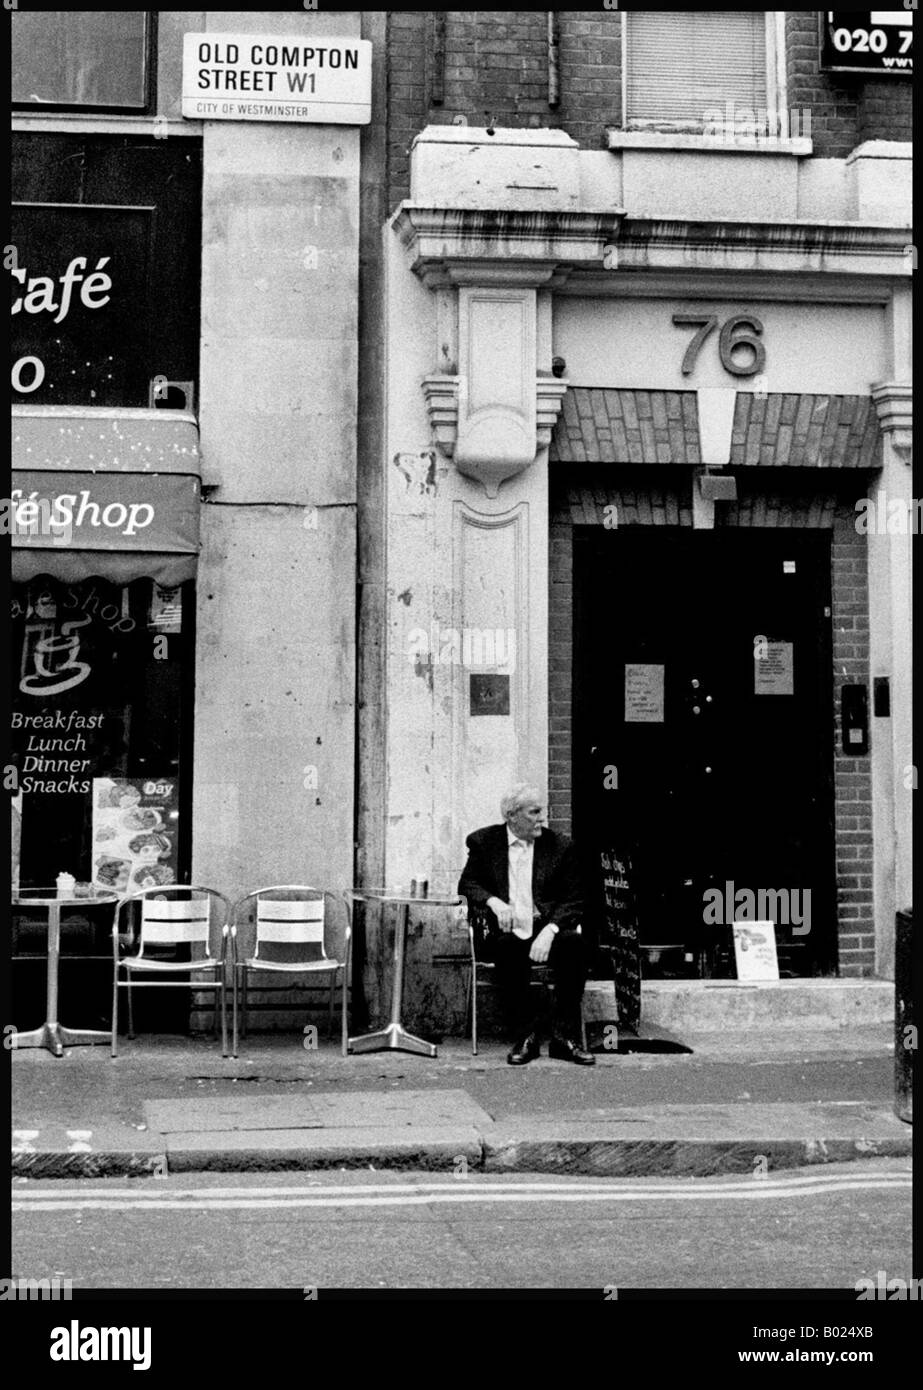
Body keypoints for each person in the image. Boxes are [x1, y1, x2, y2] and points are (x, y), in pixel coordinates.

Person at [458, 783, 594, 1066]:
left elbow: (575, 898)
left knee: (575, 946)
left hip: (547, 928)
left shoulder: (559, 845)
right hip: (509, 932)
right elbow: (468, 883)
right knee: (507, 949)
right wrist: (494, 902)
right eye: (534, 812)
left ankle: (563, 1038)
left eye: (542, 811)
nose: (542, 818)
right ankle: (526, 1036)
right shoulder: (484, 842)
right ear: (512, 815)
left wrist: (551, 929)